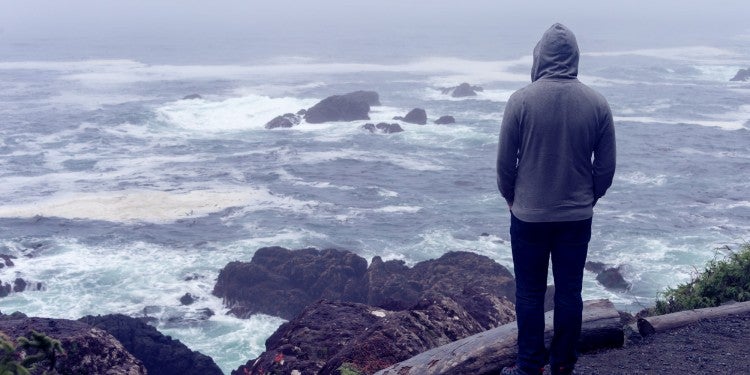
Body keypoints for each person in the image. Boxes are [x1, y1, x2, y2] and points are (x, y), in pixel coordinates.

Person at [496, 23, 616, 375]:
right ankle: (563, 365)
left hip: (528, 216)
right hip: (576, 218)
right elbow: (606, 168)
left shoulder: (520, 101)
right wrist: (589, 198)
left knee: (530, 295)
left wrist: (511, 198)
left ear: (539, 57)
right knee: (569, 294)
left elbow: (505, 163)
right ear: (574, 57)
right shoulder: (597, 102)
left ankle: (529, 366)